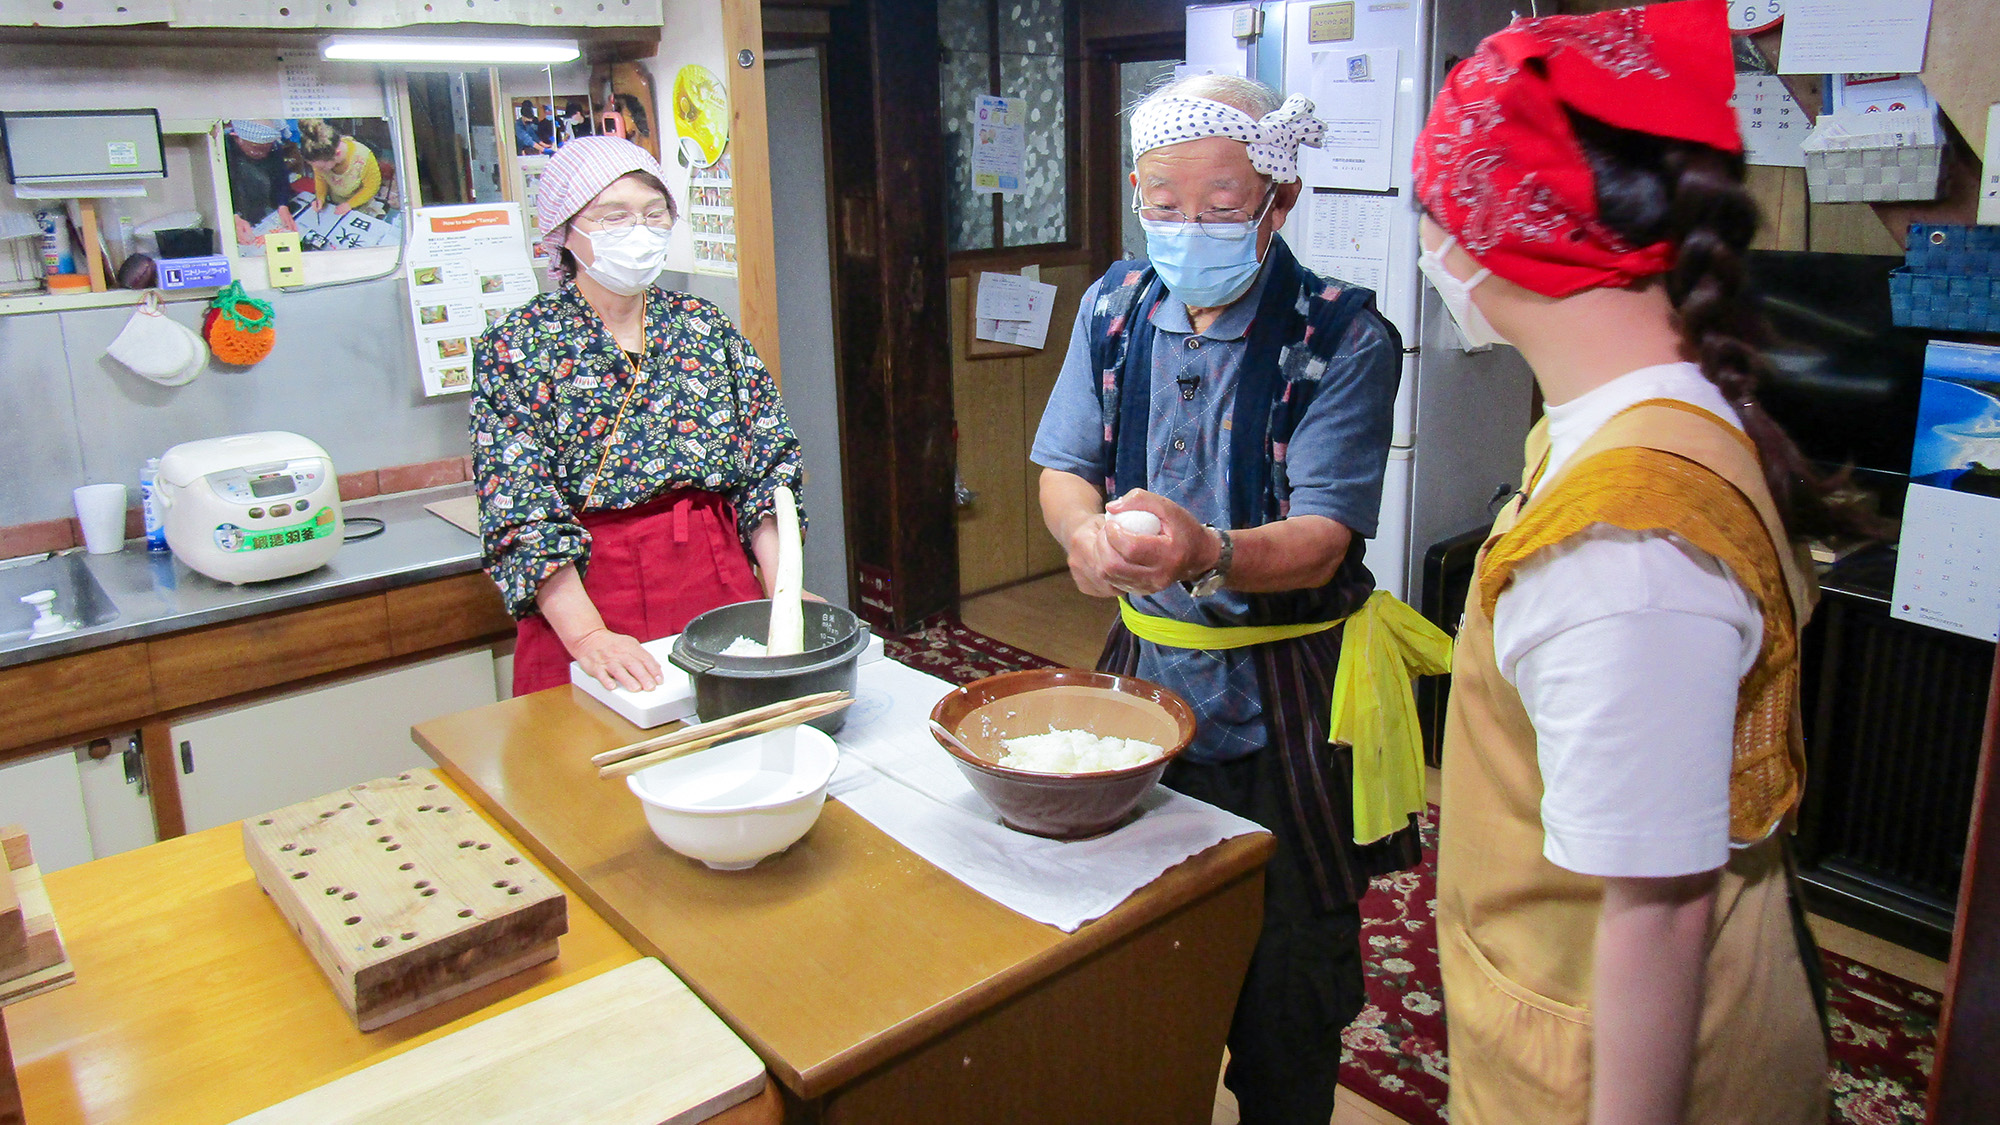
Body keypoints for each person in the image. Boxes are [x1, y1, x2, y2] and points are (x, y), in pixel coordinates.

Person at [1417, 3, 1836, 1122]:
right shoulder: (1642, 415)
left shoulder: (1624, 541)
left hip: (1601, 1063)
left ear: (1492, 233)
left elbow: (1657, 913)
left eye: (1434, 213)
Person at [1030, 74, 1447, 1125]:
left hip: (1288, 700)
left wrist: (1204, 550)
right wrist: (1081, 534)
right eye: (1164, 206)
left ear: (1279, 198)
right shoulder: (1115, 308)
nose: (1189, 228)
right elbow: (1062, 466)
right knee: (1137, 961)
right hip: (1146, 688)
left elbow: (1318, 542)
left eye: (1220, 206)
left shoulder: (1343, 337)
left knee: (1287, 989)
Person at [471, 136, 803, 697]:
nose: (640, 230)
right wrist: (588, 638)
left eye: (654, 214)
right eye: (614, 216)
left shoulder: (703, 326)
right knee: (590, 761)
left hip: (713, 569)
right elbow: (519, 509)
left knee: (735, 741)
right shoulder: (518, 344)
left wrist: (785, 594)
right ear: (566, 231)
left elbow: (768, 469)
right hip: (588, 589)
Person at [224, 119, 298, 248]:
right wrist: (233, 216)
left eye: (266, 149)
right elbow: (222, 189)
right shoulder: (223, 149)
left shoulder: (274, 148)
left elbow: (281, 177)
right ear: (236, 138)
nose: (263, 154)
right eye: (256, 149)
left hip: (263, 207)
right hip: (236, 208)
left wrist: (282, 205)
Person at [297, 118, 381, 217]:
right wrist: (320, 198)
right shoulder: (319, 156)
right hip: (335, 202)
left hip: (361, 203)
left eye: (322, 168)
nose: (318, 170)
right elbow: (321, 179)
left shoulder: (364, 157)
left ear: (337, 154)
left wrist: (350, 204)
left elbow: (372, 187)